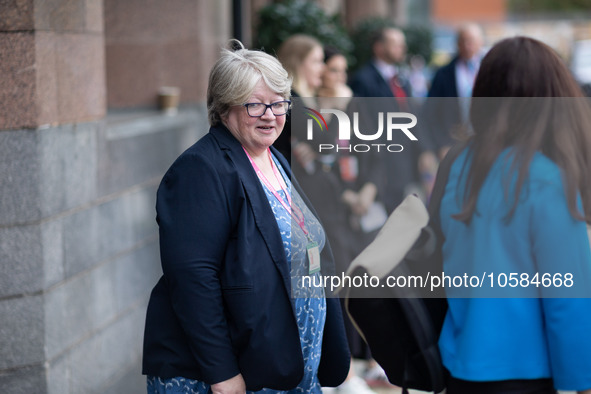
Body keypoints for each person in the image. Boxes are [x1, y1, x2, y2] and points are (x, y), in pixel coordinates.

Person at [141, 40, 350, 394]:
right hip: (227, 376)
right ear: (223, 108)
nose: (270, 115)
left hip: (287, 367)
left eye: (278, 102)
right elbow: (193, 278)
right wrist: (222, 374)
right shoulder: (201, 168)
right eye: (254, 104)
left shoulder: (274, 159)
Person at [438, 36, 591, 393]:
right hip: (525, 371)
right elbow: (567, 298)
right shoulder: (547, 178)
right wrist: (583, 382)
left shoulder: (459, 163)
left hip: (458, 362)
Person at [426, 23, 484, 159]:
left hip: (484, 143)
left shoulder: (492, 71)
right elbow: (431, 112)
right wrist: (441, 143)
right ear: (457, 44)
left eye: (471, 41)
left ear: (480, 43)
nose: (467, 45)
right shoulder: (443, 74)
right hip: (453, 144)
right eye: (463, 41)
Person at [273, 34, 326, 163]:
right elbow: (324, 144)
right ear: (297, 63)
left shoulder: (307, 97)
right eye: (316, 61)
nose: (323, 67)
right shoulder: (292, 99)